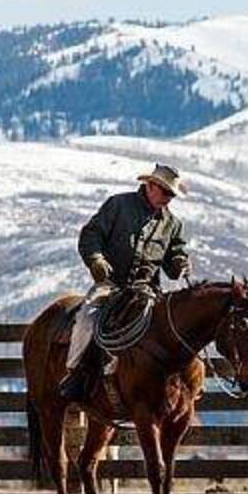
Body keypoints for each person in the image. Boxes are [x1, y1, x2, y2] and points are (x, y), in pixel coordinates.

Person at [58, 163, 192, 400]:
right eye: (166, 193)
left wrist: (181, 262)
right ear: (150, 186)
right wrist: (96, 260)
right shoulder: (118, 205)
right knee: (87, 319)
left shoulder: (173, 224)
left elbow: (174, 260)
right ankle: (75, 374)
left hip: (149, 291)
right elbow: (91, 235)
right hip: (111, 285)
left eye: (172, 194)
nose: (169, 199)